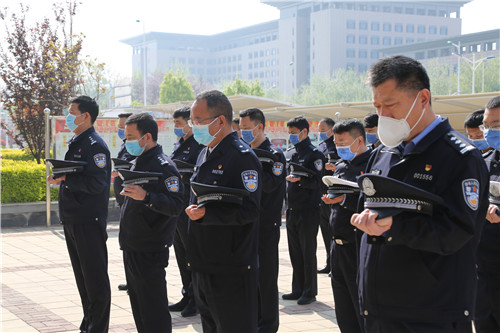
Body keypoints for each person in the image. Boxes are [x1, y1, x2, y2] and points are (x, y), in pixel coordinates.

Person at [351, 55, 489, 333]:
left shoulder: (459, 157)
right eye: (378, 106)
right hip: (379, 309)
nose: (383, 116)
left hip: (430, 313)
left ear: (423, 98)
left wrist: (395, 226)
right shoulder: (383, 154)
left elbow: (458, 231)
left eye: (390, 105)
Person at [185, 90, 262, 333]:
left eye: (199, 120)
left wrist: (209, 215)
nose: (194, 126)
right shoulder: (204, 152)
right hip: (204, 262)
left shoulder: (242, 157)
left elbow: (250, 210)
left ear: (220, 121)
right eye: (192, 121)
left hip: (231, 267)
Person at [47, 96, 111, 333]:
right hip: (74, 219)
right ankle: (89, 322)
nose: (68, 115)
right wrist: (63, 177)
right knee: (83, 279)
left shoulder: (95, 145)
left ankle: (98, 327)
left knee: (95, 281)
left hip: (88, 221)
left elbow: (97, 184)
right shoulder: (78, 141)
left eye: (72, 111)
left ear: (86, 116)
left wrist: (67, 178)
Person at [119, 112, 184, 333]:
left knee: (153, 309)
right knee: (139, 305)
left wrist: (146, 197)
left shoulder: (164, 166)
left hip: (150, 247)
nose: (126, 141)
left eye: (130, 136)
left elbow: (176, 205)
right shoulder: (137, 162)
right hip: (132, 244)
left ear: (146, 137)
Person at [321, 118, 370, 333]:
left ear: (359, 140)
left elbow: (371, 202)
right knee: (342, 306)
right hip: (337, 245)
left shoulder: (372, 165)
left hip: (357, 244)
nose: (339, 147)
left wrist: (343, 200)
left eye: (343, 142)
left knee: (361, 306)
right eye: (336, 142)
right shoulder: (341, 166)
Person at [239, 107, 286, 333]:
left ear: (259, 127)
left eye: (247, 129)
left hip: (267, 225)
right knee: (250, 275)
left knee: (266, 277)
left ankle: (268, 325)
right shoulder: (243, 154)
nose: (244, 133)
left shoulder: (275, 155)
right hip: (246, 224)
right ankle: (254, 320)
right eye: (241, 129)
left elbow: (269, 184)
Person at [283, 116, 325, 305]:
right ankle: (297, 288)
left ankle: (309, 291)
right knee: (295, 251)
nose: (291, 136)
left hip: (308, 210)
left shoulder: (314, 154)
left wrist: (300, 180)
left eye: (294, 133)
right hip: (293, 209)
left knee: (308, 251)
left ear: (304, 132)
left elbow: (319, 182)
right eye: (289, 133)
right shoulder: (291, 153)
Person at [168, 106, 204, 317]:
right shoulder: (178, 146)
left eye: (179, 123)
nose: (176, 128)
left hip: (190, 207)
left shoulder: (198, 146)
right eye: (174, 124)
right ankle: (186, 294)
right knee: (181, 254)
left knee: (191, 255)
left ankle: (196, 299)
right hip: (176, 207)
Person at [474, 95, 500, 333]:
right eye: (487, 125)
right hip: (483, 269)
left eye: (497, 125)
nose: (490, 130)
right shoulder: (484, 162)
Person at [112, 112, 134, 292]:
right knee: (125, 242)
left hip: (132, 201)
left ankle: (134, 279)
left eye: (124, 126)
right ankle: (131, 278)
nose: (121, 130)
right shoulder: (125, 145)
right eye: (119, 127)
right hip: (123, 202)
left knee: (132, 242)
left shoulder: (135, 147)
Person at [316, 117, 338, 274]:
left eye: (323, 130)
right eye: (319, 130)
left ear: (332, 129)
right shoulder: (320, 147)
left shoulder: (338, 146)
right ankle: (329, 262)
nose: (321, 133)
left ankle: (336, 263)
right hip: (322, 193)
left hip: (334, 193)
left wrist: (335, 167)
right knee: (325, 229)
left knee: (334, 229)